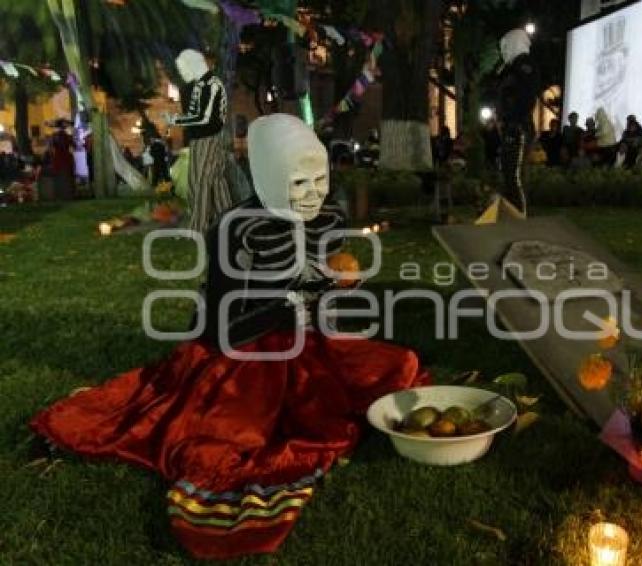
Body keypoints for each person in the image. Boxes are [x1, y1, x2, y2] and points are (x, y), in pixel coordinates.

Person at [30, 114, 428, 560]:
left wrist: (333, 286)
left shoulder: (327, 216)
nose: (315, 193)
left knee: (397, 365)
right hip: (242, 353)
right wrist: (295, 299)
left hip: (306, 340)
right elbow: (221, 326)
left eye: (321, 179)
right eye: (299, 183)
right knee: (235, 432)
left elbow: (322, 298)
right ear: (266, 177)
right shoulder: (233, 229)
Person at [166, 49, 232, 234]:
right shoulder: (198, 86)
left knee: (202, 181)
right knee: (212, 182)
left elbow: (205, 118)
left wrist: (177, 121)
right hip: (199, 138)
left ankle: (200, 226)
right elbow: (195, 115)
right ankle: (226, 220)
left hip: (209, 138)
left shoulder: (212, 85)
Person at [494, 28, 539, 216]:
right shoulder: (512, 68)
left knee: (514, 176)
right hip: (512, 126)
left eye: (505, 45)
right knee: (509, 175)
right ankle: (512, 214)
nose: (503, 50)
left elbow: (526, 98)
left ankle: (520, 217)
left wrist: (512, 118)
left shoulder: (523, 66)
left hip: (518, 126)